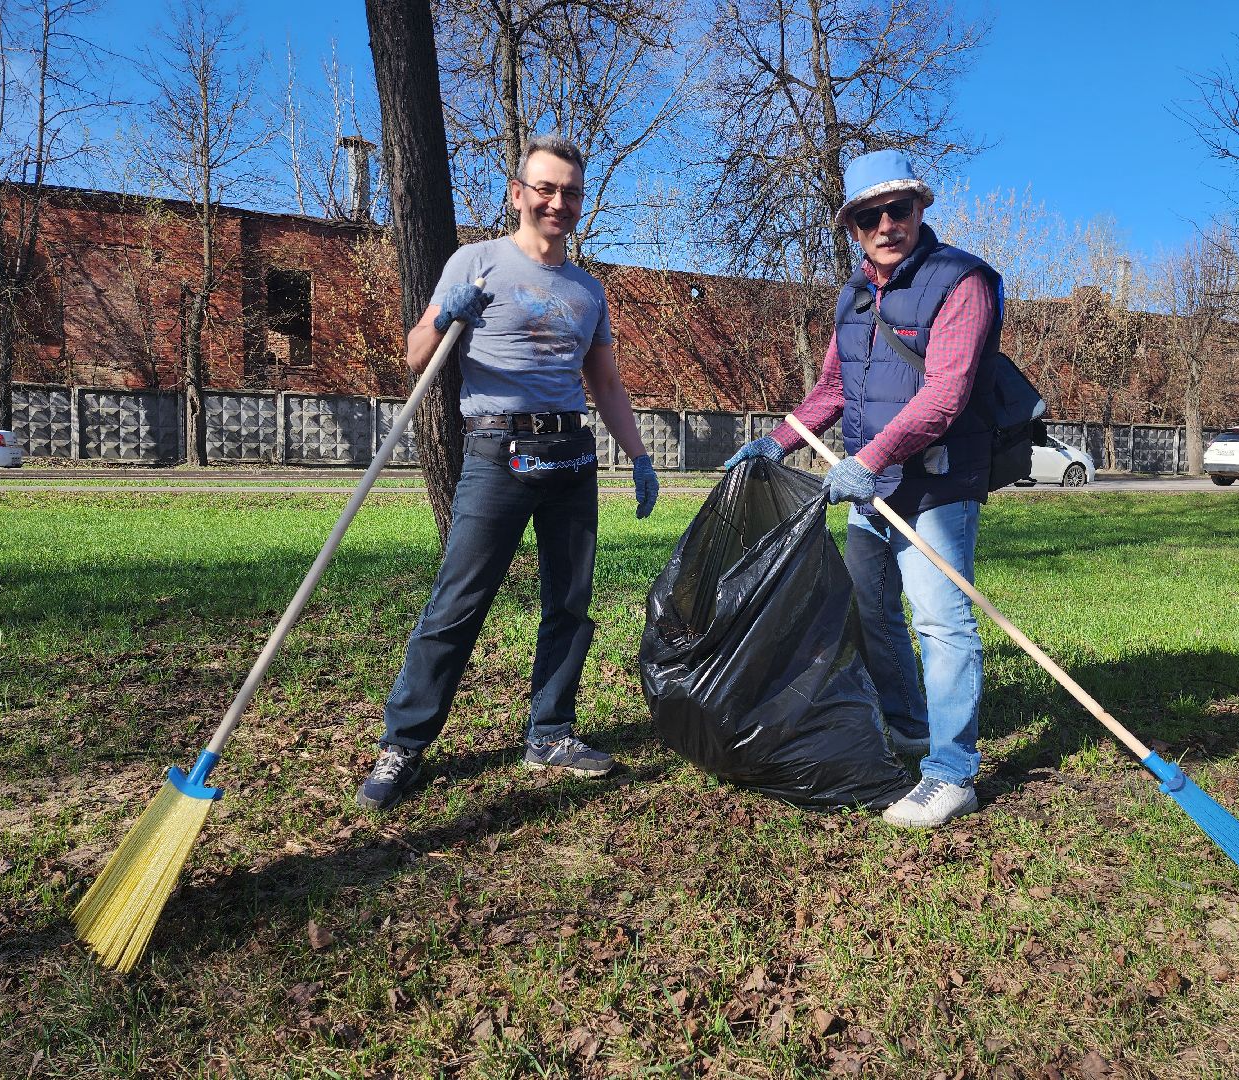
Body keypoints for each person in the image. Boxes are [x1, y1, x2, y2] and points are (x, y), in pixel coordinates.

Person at [357, 134, 659, 812]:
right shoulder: (479, 262)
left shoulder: (587, 289)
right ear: (519, 193)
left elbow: (605, 383)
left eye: (571, 192)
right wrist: (445, 315)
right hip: (497, 453)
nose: (558, 201)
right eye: (546, 189)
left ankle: (550, 732)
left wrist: (637, 457)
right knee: (457, 604)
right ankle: (403, 743)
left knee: (570, 605)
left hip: (572, 456)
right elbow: (415, 355)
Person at [726, 149, 1003, 828]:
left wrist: (869, 460)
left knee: (942, 623)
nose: (885, 224)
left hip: (934, 485)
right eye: (868, 215)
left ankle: (952, 773)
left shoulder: (960, 281)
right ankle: (909, 728)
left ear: (920, 209)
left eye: (897, 209)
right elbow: (831, 389)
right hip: (868, 490)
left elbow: (944, 395)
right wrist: (776, 440)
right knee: (873, 611)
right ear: (851, 227)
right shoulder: (853, 294)